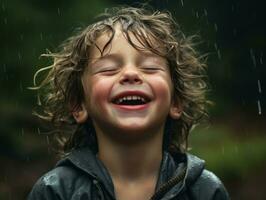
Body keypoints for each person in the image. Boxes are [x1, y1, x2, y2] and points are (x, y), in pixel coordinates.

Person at [28, 5, 230, 200]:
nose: (131, 74)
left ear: (176, 102)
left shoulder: (204, 191)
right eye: (108, 69)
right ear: (79, 105)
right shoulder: (56, 191)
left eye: (150, 67)